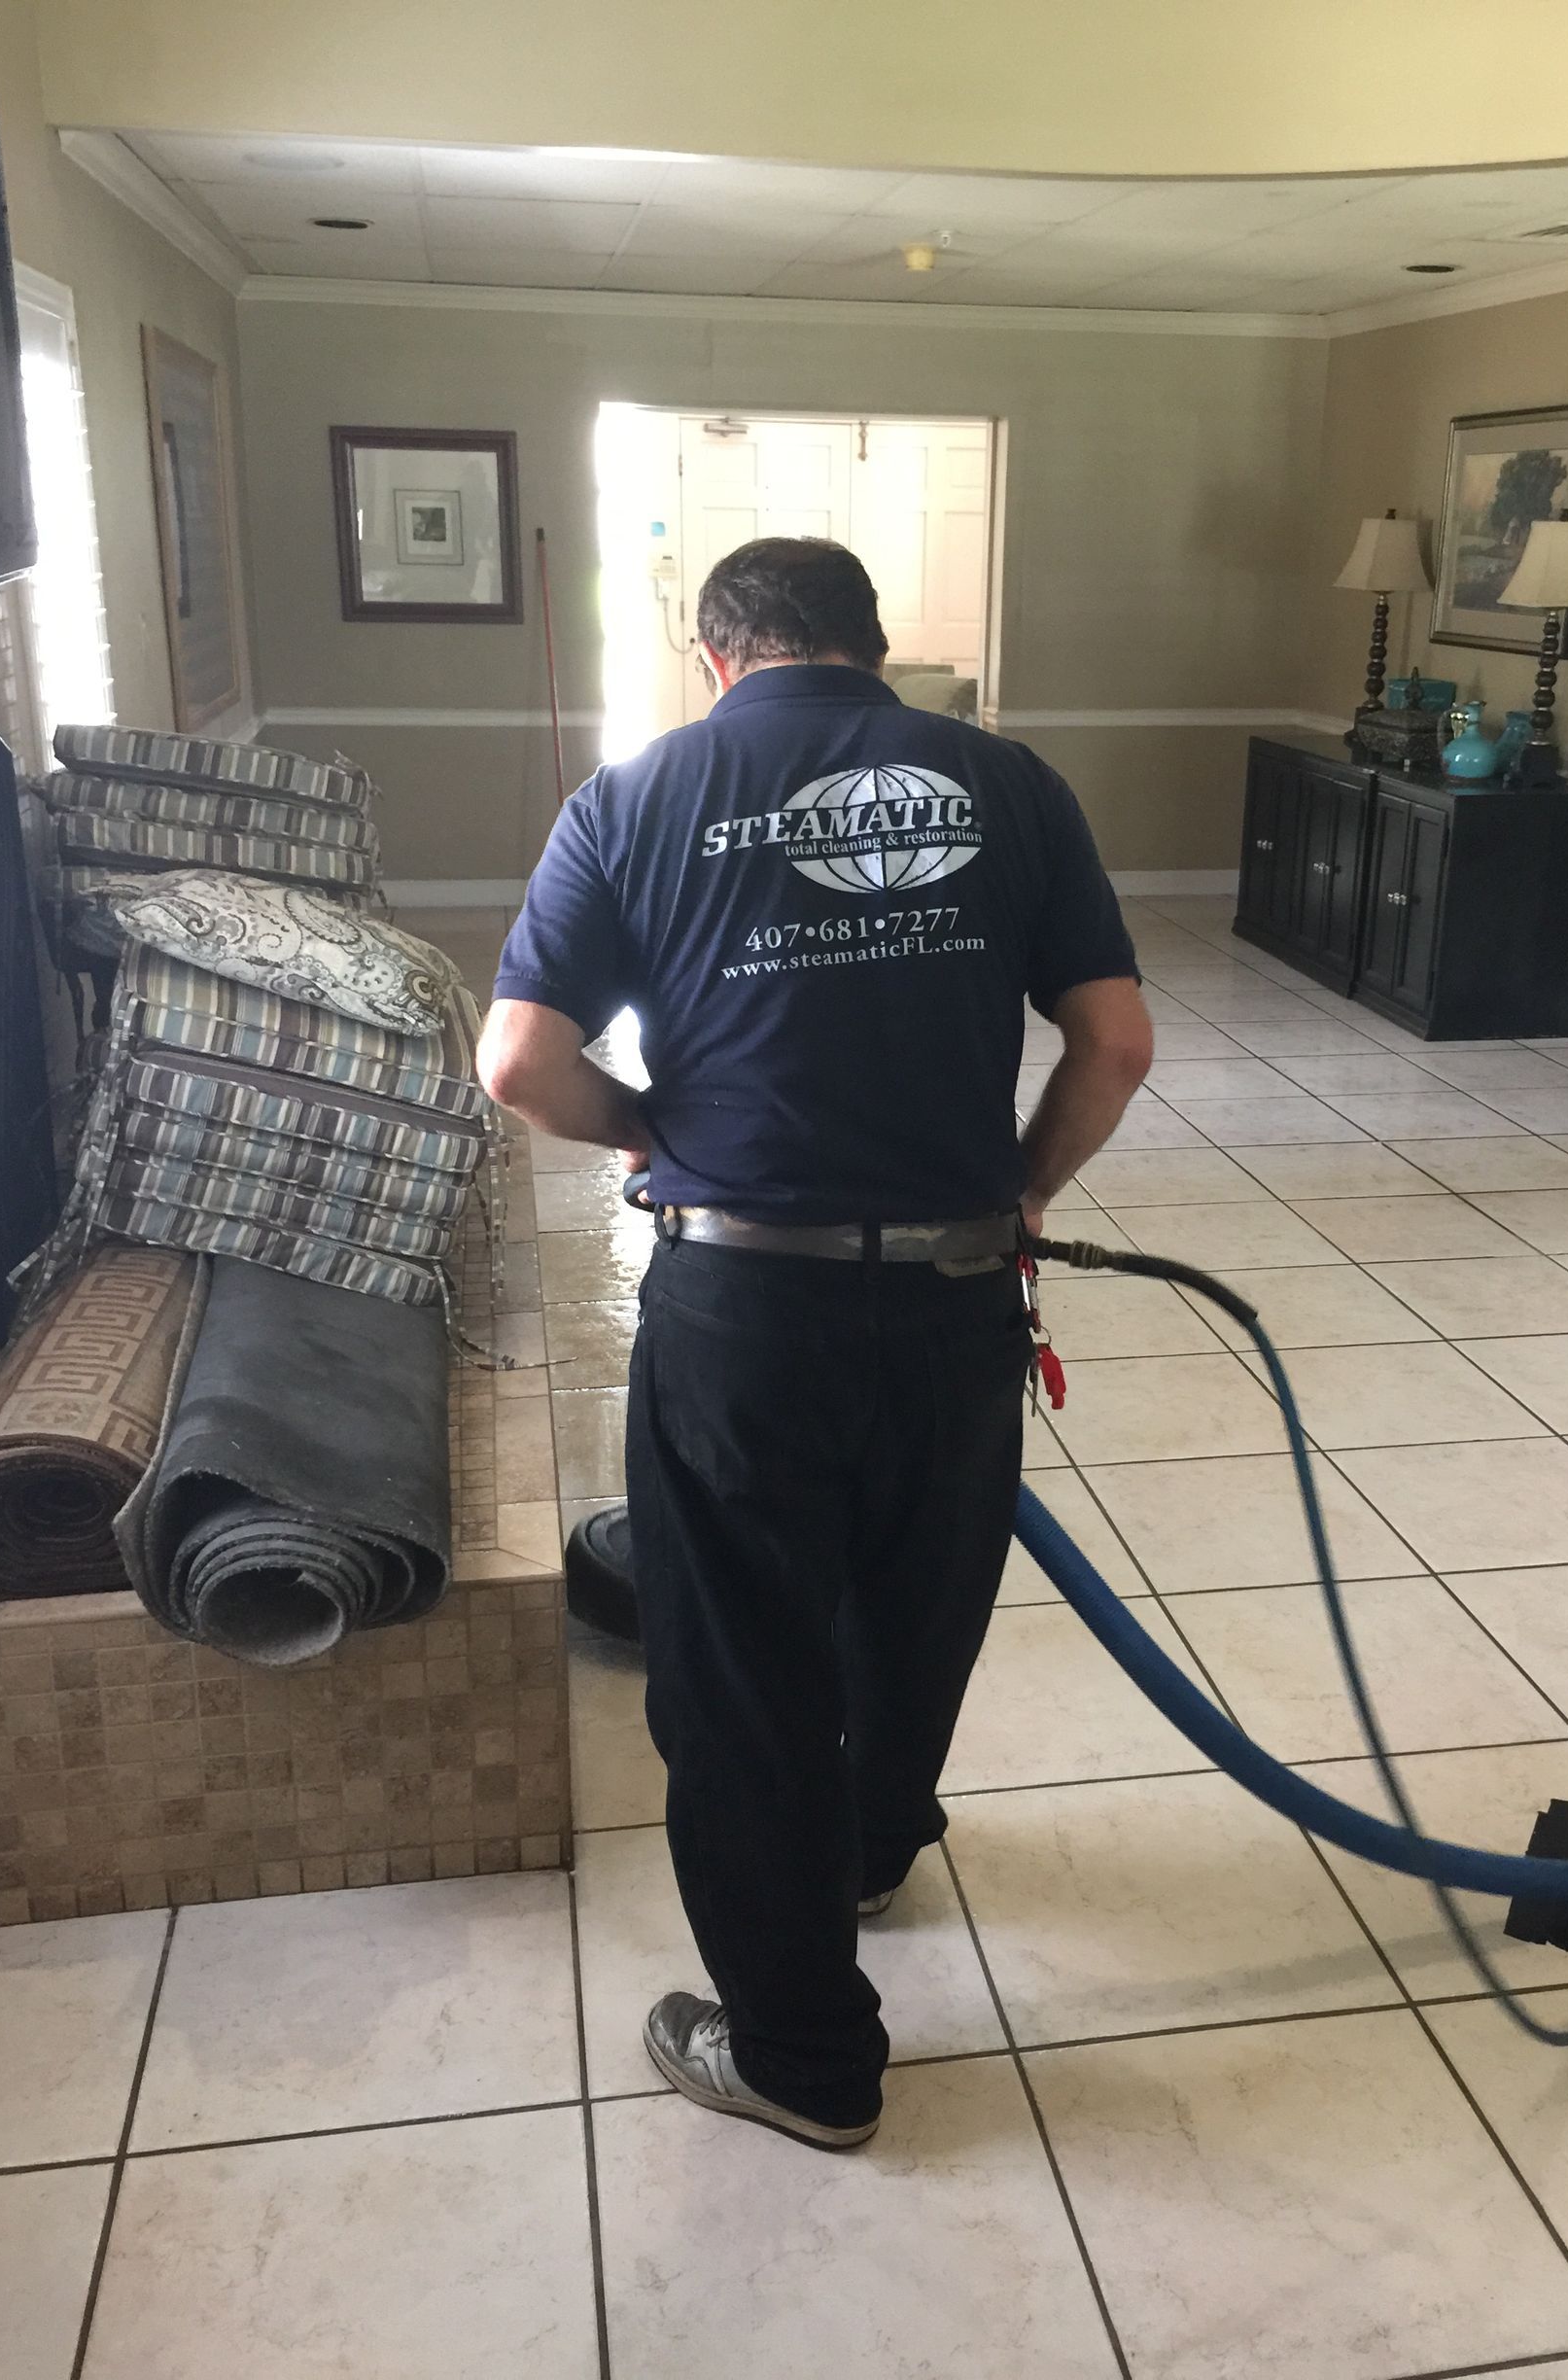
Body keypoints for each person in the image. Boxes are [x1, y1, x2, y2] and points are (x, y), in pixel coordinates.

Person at [478, 537, 1152, 2150]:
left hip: (743, 1305)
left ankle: (799, 2055)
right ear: (875, 649)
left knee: (740, 1670)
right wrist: (1020, 1190)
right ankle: (864, 1854)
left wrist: (651, 1131)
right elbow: (1116, 1042)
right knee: (916, 1603)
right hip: (956, 1291)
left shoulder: (635, 798)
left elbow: (514, 1063)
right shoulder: (1008, 783)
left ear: (718, 658)